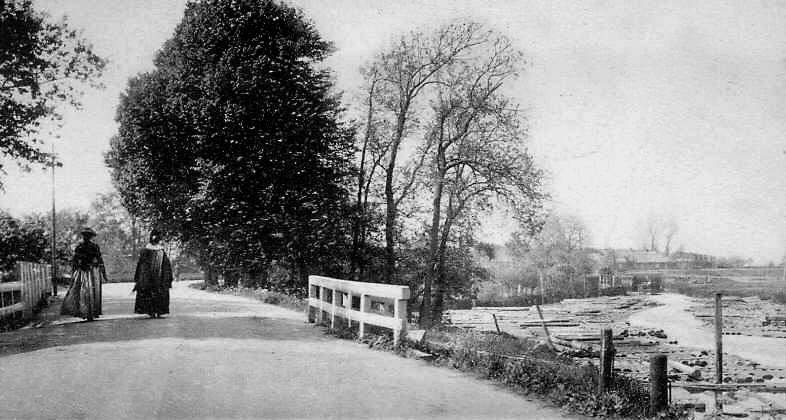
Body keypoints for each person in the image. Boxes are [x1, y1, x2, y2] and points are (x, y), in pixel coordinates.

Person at [61, 227, 105, 321]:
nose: (86, 237)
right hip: (83, 271)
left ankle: (90, 313)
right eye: (85, 236)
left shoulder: (94, 246)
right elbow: (75, 260)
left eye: (88, 236)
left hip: (91, 270)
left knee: (90, 292)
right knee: (83, 292)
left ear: (91, 237)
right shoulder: (79, 247)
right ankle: (84, 312)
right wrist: (74, 271)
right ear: (83, 236)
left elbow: (99, 259)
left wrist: (102, 271)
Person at [133, 230, 173, 318]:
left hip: (153, 276)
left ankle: (154, 311)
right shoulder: (157, 251)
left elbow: (140, 265)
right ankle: (155, 311)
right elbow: (142, 265)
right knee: (154, 292)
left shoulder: (150, 251)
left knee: (153, 292)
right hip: (154, 276)